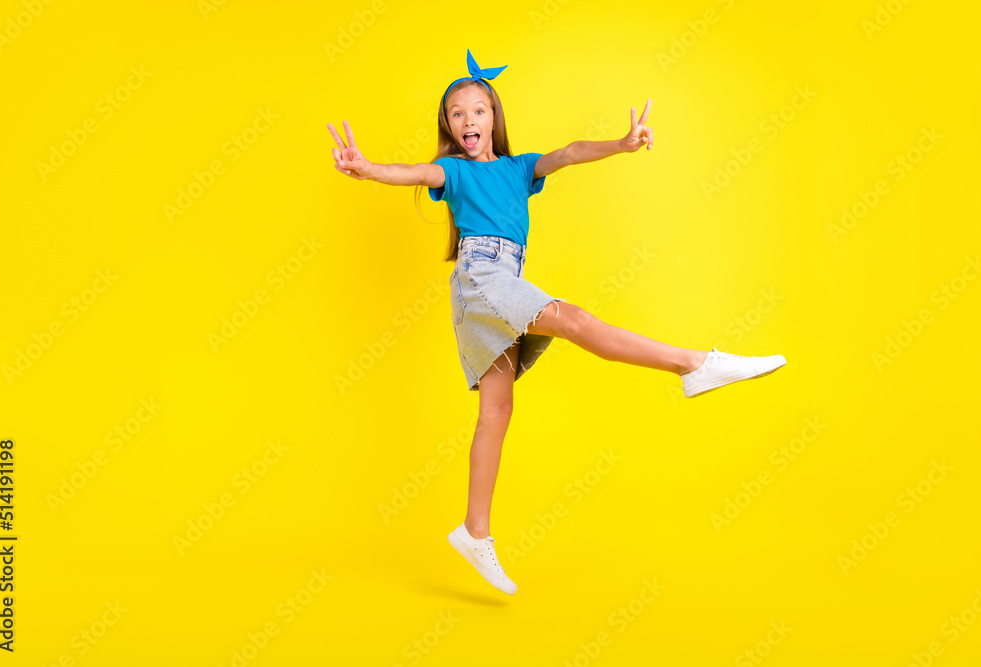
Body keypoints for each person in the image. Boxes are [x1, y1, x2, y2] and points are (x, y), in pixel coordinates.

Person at [327, 49, 787, 596]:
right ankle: (694, 364)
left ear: (494, 119)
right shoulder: (450, 171)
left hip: (501, 278)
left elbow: (568, 152)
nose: (468, 120)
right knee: (572, 319)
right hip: (481, 278)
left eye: (477, 111)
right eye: (457, 114)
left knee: (496, 409)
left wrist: (621, 144)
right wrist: (366, 167)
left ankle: (475, 532)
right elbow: (409, 172)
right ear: (449, 128)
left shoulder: (520, 170)